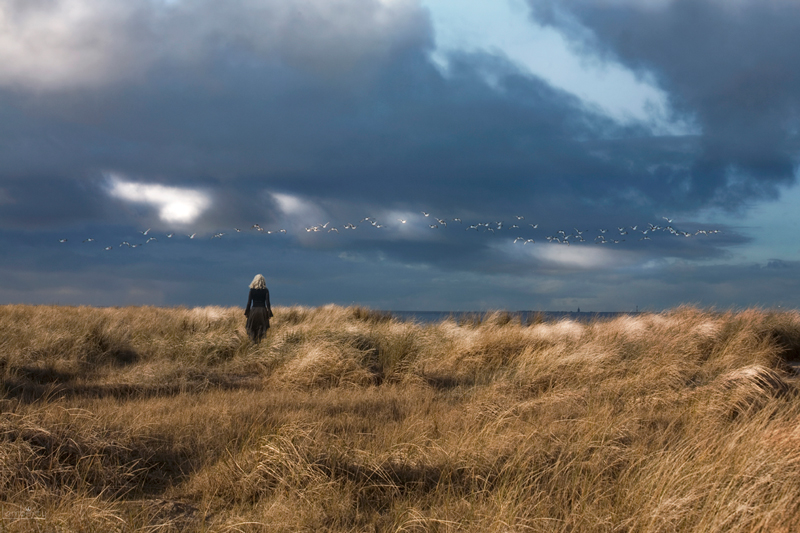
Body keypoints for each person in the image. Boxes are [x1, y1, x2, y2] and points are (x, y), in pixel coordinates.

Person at [245, 274, 273, 342]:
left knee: (252, 328)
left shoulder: (251, 290)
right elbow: (268, 303)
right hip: (263, 311)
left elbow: (249, 303)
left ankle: (253, 344)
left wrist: (247, 313)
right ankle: (259, 344)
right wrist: (269, 313)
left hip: (254, 311)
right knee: (262, 328)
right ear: (263, 281)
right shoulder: (266, 290)